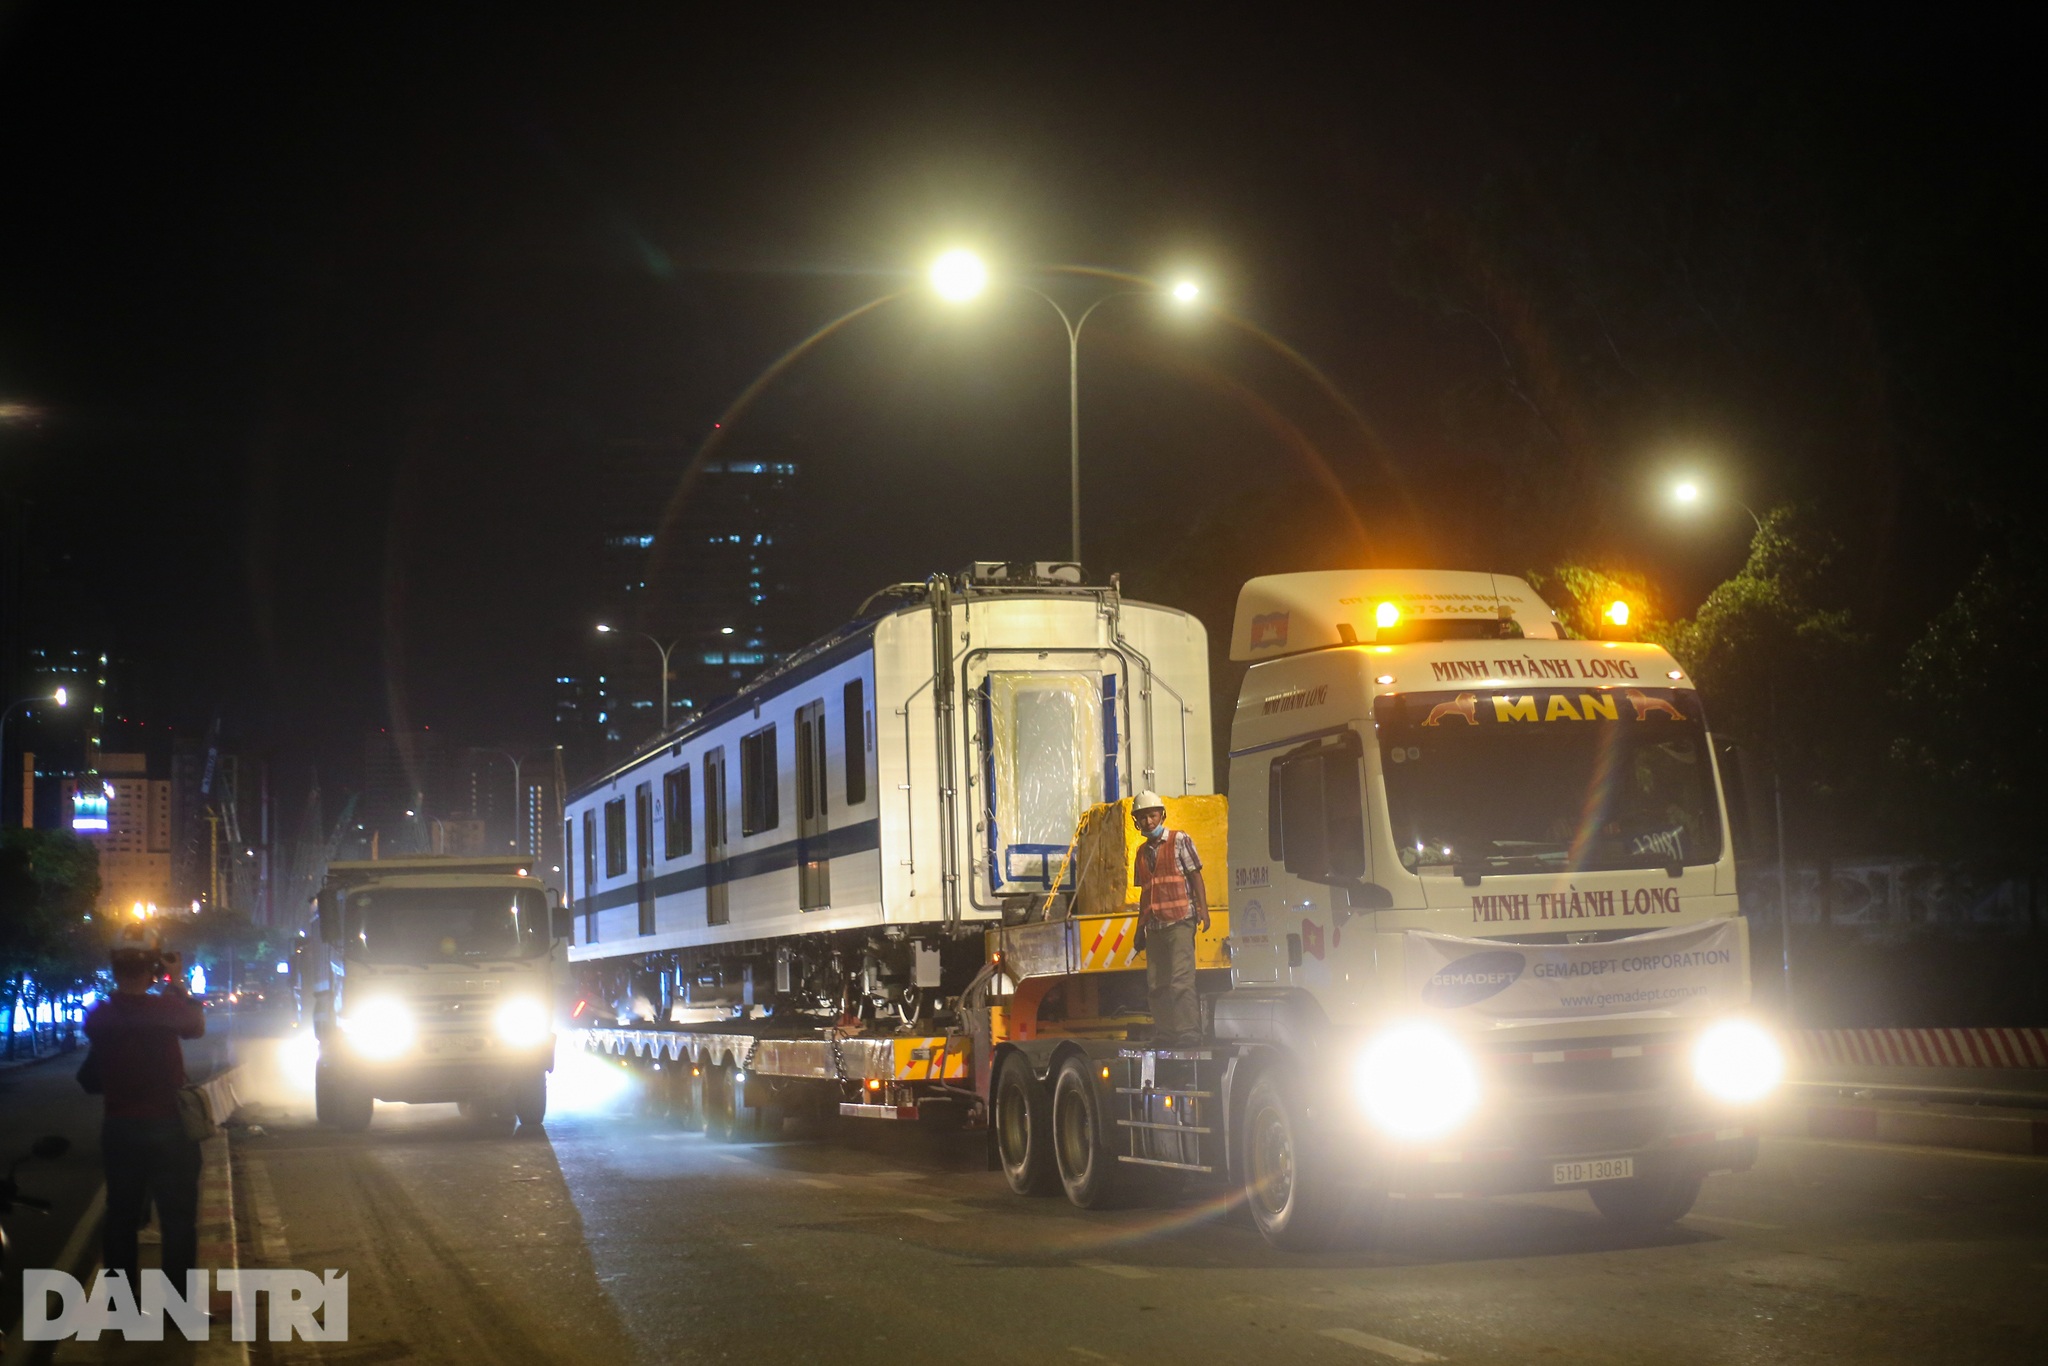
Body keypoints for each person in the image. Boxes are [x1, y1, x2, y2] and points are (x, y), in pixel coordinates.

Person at [83, 924, 206, 1296]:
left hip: (120, 1129)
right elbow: (195, 1025)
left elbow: (111, 1021)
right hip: (170, 1128)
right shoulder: (167, 1008)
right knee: (178, 1220)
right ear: (153, 968)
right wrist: (177, 980)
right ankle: (177, 1306)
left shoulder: (100, 1015)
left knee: (120, 1219)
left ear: (114, 967)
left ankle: (122, 1307)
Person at [1131, 792, 1209, 1046]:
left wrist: (1203, 910)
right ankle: (1165, 1034)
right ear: (1136, 821)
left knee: (1180, 980)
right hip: (1155, 926)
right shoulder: (1141, 853)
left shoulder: (1179, 840)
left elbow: (1196, 876)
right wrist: (1139, 929)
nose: (1148, 821)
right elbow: (1145, 893)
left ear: (1162, 815)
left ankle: (1188, 1032)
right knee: (1156, 984)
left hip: (1180, 921)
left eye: (1152, 815)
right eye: (1142, 817)